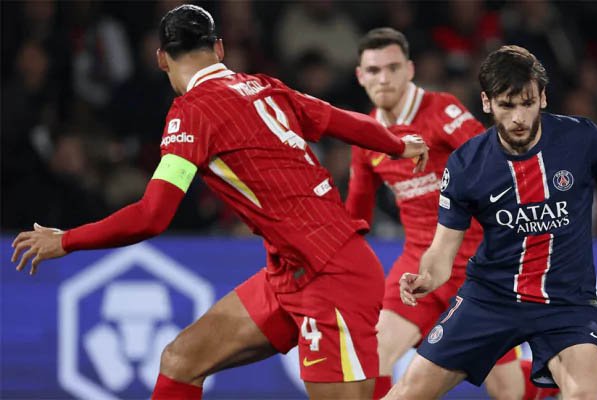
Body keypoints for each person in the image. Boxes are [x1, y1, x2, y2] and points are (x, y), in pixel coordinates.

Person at [10, 5, 429, 399]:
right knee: (181, 360)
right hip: (290, 272)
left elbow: (152, 216)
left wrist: (66, 240)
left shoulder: (192, 112)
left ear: (161, 59)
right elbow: (337, 118)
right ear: (220, 48)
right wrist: (397, 144)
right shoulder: (264, 86)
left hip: (330, 276)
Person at [384, 45, 597, 399]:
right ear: (487, 102)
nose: (519, 118)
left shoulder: (582, 139)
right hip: (490, 298)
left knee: (586, 393)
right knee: (408, 393)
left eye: (527, 103)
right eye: (507, 105)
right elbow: (442, 250)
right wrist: (427, 277)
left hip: (566, 303)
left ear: (542, 96)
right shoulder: (466, 164)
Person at [347, 28, 525, 399]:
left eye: (393, 68)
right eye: (374, 70)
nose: (384, 78)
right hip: (418, 266)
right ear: (360, 76)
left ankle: (547, 379)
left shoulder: (441, 110)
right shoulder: (366, 136)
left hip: (477, 269)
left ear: (410, 70)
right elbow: (356, 216)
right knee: (373, 354)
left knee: (509, 391)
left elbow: (494, 161)